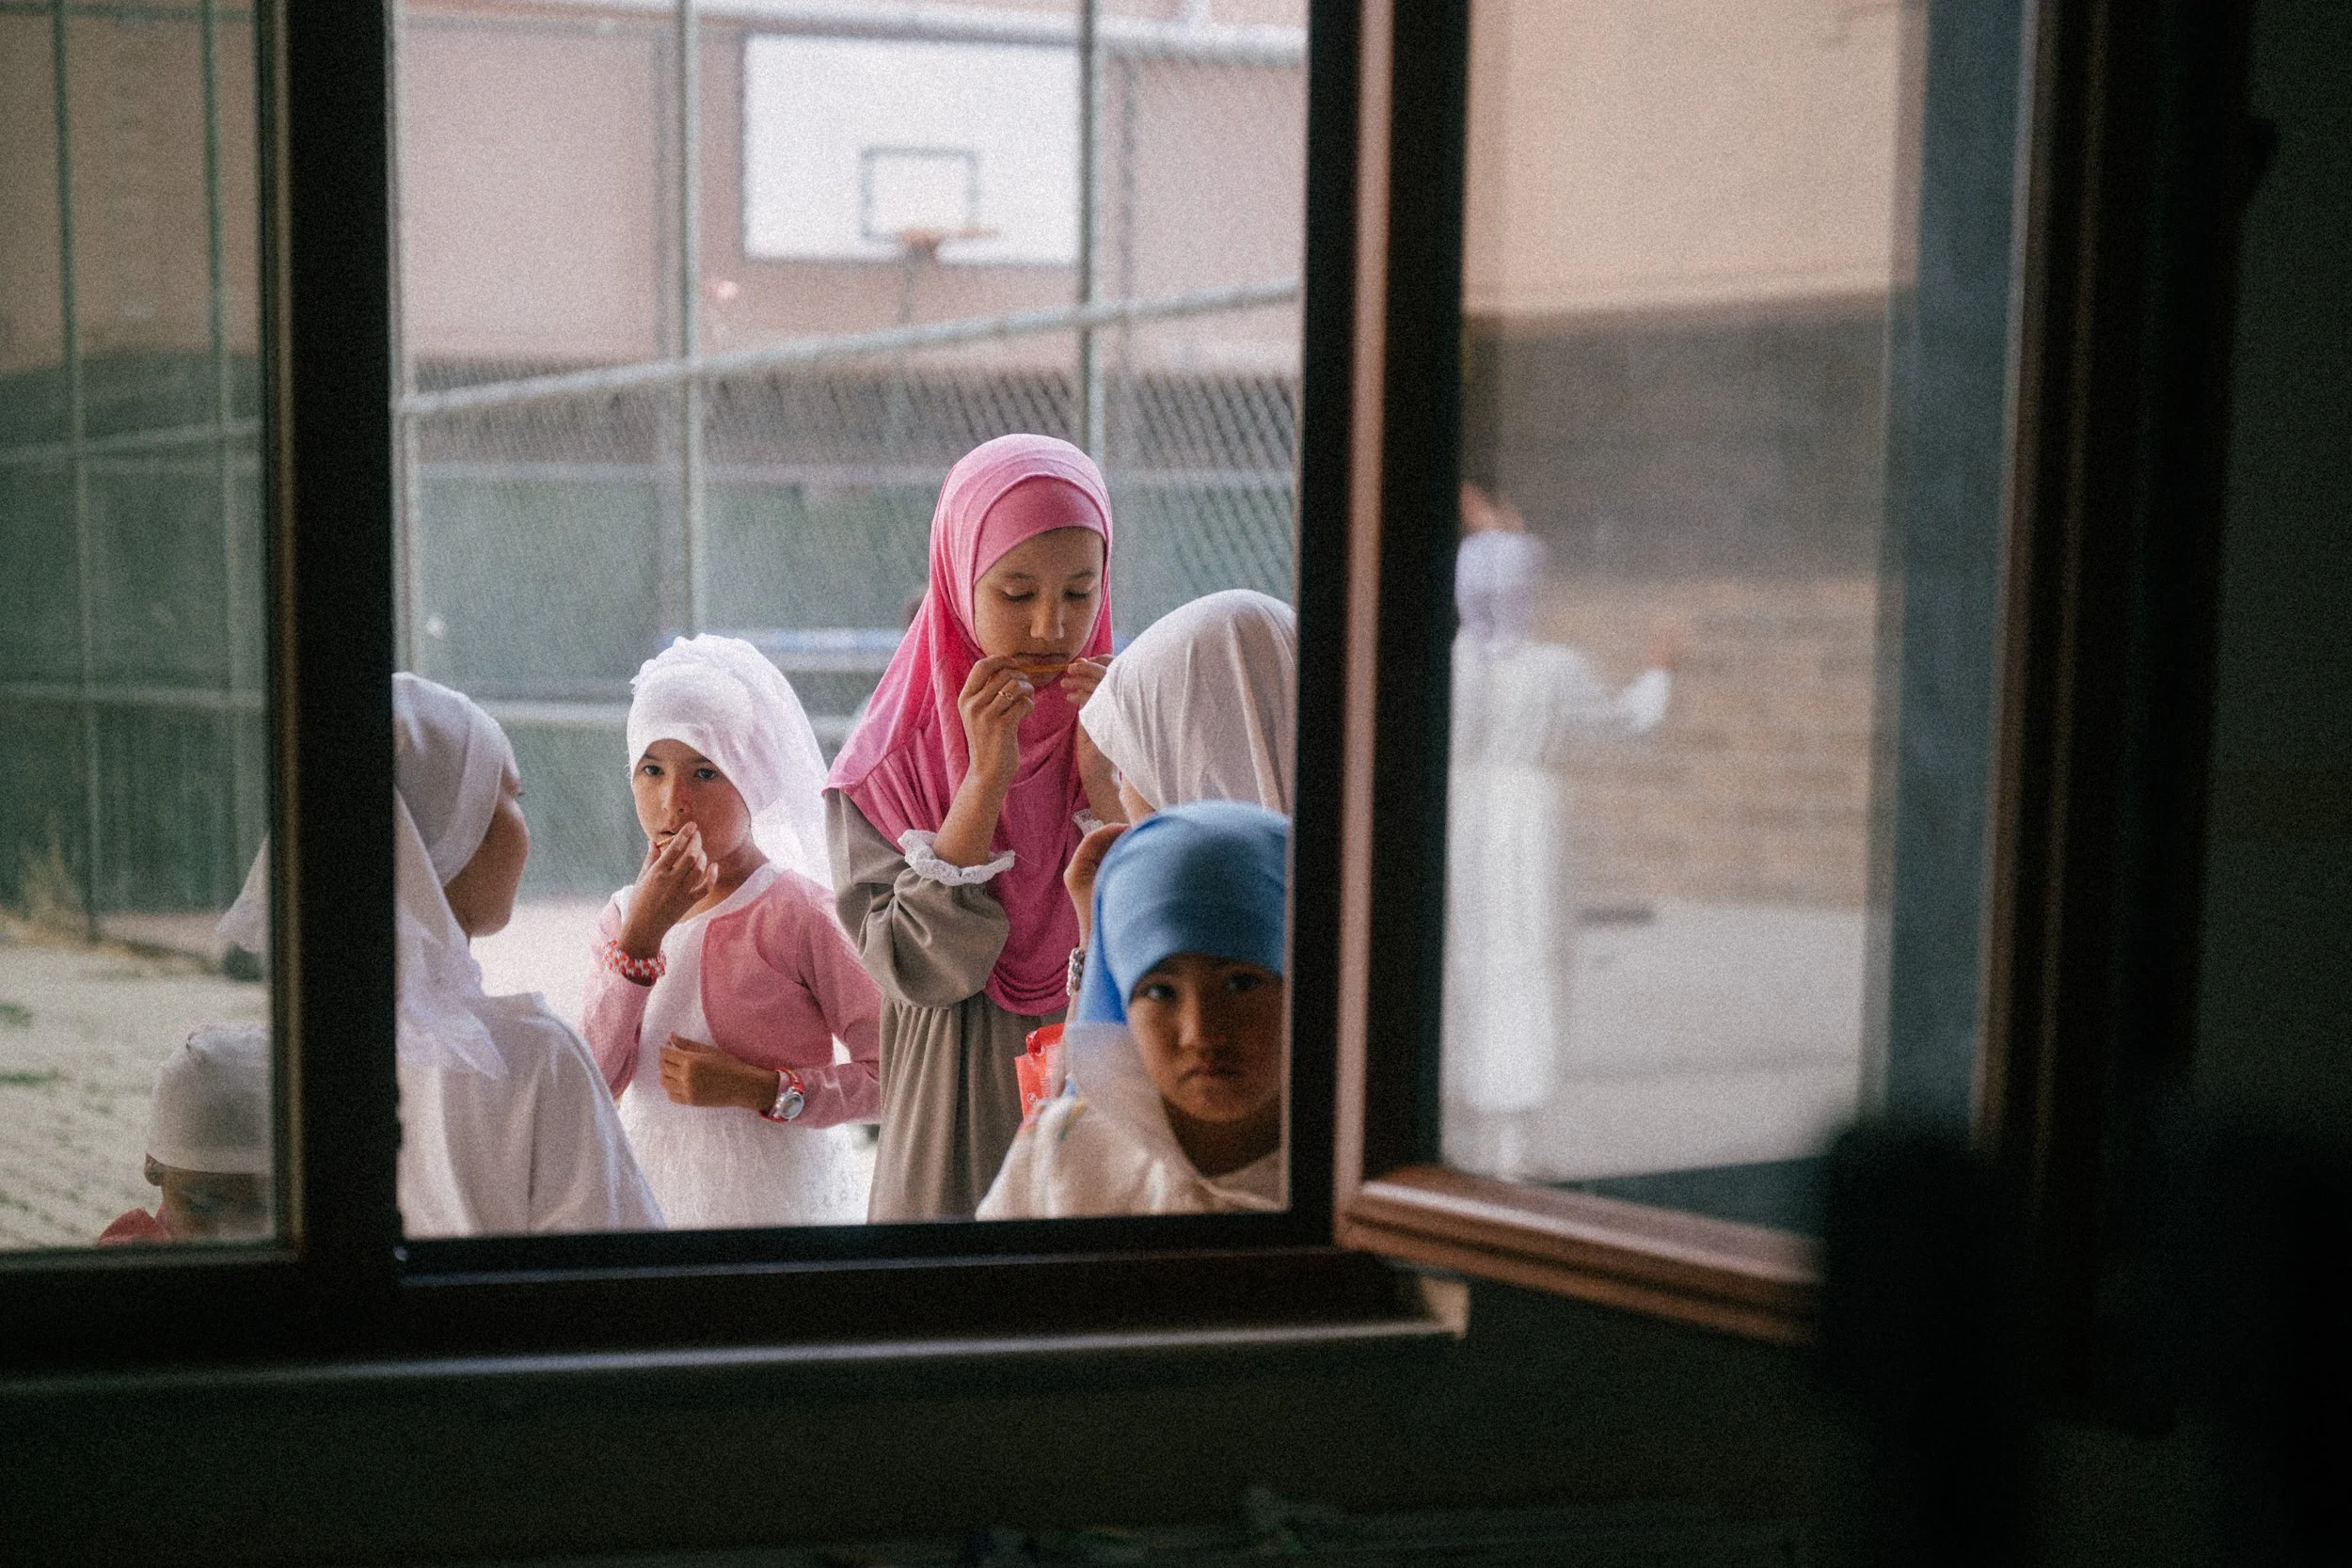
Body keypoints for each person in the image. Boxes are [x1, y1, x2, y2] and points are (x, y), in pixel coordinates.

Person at [218, 674, 663, 1236]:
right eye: (511, 796)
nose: (525, 826)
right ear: (461, 830)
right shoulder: (536, 1059)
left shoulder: (298, 1056)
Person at [826, 434, 1120, 1222]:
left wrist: (1107, 782)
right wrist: (983, 782)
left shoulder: (1131, 729)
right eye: (1016, 594)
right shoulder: (886, 765)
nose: (1052, 629)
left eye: (1080, 593)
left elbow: (1166, 930)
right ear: (957, 585)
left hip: (1106, 1099)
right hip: (950, 1104)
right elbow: (909, 968)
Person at [582, 635, 882, 1228]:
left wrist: (763, 1090)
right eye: (652, 769)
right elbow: (590, 1085)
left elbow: (892, 1075)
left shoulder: (797, 912)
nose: (674, 801)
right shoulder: (622, 919)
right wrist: (640, 940)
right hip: (652, 1200)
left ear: (752, 776)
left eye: (705, 771)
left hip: (777, 1205)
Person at [1442, 492, 1677, 1180]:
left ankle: (1461, 1136)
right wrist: (1661, 668)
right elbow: (1627, 718)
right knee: (1527, 959)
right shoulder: (1552, 669)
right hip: (1527, 824)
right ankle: (1513, 1146)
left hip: (1459, 818)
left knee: (1464, 956)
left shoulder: (1449, 662)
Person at [978, 801, 1288, 1220]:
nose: (1200, 1032)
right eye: (1160, 992)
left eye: (1240, 983)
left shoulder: (1369, 1169)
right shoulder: (1064, 1155)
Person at [98, 1024, 273, 1245]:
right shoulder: (132, 1257)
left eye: (263, 1208)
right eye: (202, 1205)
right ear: (153, 1165)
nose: (230, 1235)